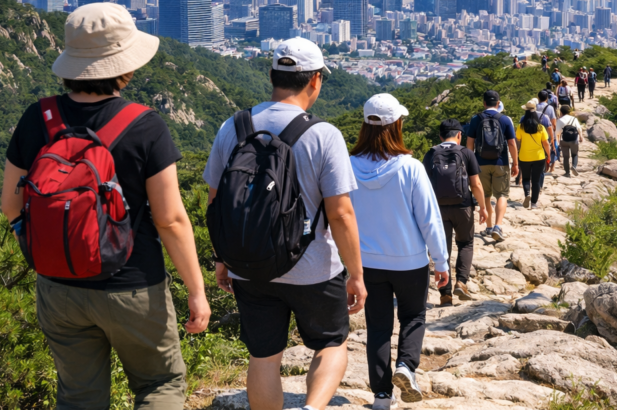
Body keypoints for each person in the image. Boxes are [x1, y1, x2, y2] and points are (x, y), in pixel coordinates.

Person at [1, 3, 210, 409]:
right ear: (125, 67)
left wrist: (54, 249)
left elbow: (11, 206)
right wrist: (196, 291)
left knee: (79, 397)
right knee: (159, 385)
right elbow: (170, 220)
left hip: (58, 287)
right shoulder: (145, 126)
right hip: (133, 285)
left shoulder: (36, 118)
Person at [203, 37, 366, 410]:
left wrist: (222, 258)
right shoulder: (323, 134)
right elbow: (340, 214)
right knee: (331, 343)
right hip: (315, 271)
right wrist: (355, 274)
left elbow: (216, 204)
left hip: (250, 267)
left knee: (264, 356)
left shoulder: (234, 126)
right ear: (315, 81)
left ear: (272, 76)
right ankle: (312, 408)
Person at [348, 94, 449, 408]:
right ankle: (406, 365)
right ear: (397, 125)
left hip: (366, 263)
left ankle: (381, 396)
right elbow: (429, 219)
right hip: (410, 261)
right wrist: (441, 261)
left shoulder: (348, 166)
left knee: (377, 327)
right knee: (414, 316)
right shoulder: (411, 167)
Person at [423, 119, 487, 306]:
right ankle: (462, 281)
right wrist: (482, 207)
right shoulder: (466, 153)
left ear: (440, 136)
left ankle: (445, 294)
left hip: (438, 210)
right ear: (460, 135)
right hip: (463, 207)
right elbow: (475, 184)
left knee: (442, 249)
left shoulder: (431, 153)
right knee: (466, 243)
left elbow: (423, 184)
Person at [466, 90, 519, 242]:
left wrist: (470, 163)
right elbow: (511, 143)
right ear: (498, 103)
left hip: (480, 163)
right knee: (501, 195)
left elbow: (470, 143)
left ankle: (488, 227)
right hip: (500, 162)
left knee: (486, 195)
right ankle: (498, 226)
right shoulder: (505, 119)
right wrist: (515, 163)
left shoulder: (476, 119)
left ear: (483, 103)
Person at [518, 100, 551, 209]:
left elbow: (517, 140)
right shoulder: (540, 127)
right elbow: (546, 143)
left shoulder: (521, 127)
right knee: (536, 180)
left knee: (526, 178)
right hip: (539, 157)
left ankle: (527, 194)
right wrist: (549, 155)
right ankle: (534, 203)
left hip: (524, 156)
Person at [536, 90, 558, 174]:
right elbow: (553, 122)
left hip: (536, 132)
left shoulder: (535, 107)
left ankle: (541, 167)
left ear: (538, 98)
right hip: (548, 132)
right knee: (550, 149)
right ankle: (548, 167)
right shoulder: (550, 108)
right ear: (547, 98)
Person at [558, 105, 582, 177]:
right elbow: (579, 128)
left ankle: (567, 172)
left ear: (561, 112)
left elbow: (557, 133)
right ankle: (574, 166)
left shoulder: (560, 120)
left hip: (564, 140)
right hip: (574, 140)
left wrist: (557, 141)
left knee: (565, 157)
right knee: (574, 154)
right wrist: (581, 136)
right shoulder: (574, 119)